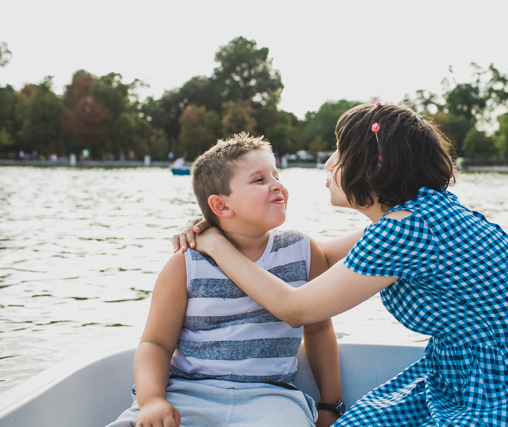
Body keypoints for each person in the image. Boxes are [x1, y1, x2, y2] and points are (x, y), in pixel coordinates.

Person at [176, 103, 508, 426]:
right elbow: (313, 254)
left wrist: (215, 244)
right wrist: (225, 229)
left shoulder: (406, 231)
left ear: (371, 166)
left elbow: (296, 308)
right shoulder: (420, 216)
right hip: (466, 375)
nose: (327, 164)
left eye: (339, 154)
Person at [109, 133, 342, 427]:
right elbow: (155, 343)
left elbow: (320, 330)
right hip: (186, 393)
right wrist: (152, 400)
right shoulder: (186, 262)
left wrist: (330, 406)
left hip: (271, 399)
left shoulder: (303, 251)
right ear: (221, 206)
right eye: (259, 180)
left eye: (276, 174)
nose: (277, 184)